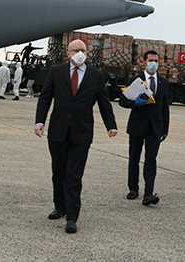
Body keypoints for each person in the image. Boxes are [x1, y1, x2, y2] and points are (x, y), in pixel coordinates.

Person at [34, 39, 117, 234]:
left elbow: (104, 102)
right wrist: (40, 122)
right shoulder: (56, 71)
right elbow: (45, 98)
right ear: (68, 53)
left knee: (74, 175)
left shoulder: (96, 75)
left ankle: (72, 217)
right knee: (58, 171)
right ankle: (60, 206)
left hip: (82, 132)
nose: (80, 53)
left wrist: (111, 125)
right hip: (58, 130)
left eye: (83, 50)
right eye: (76, 50)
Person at [120, 50, 169, 205]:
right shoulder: (135, 80)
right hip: (137, 125)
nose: (153, 63)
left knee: (151, 159)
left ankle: (149, 193)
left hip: (155, 127)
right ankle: (133, 188)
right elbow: (122, 101)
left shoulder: (163, 82)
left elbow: (165, 107)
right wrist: (135, 103)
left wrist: (165, 129)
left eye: (156, 60)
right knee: (134, 157)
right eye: (150, 60)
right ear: (144, 62)